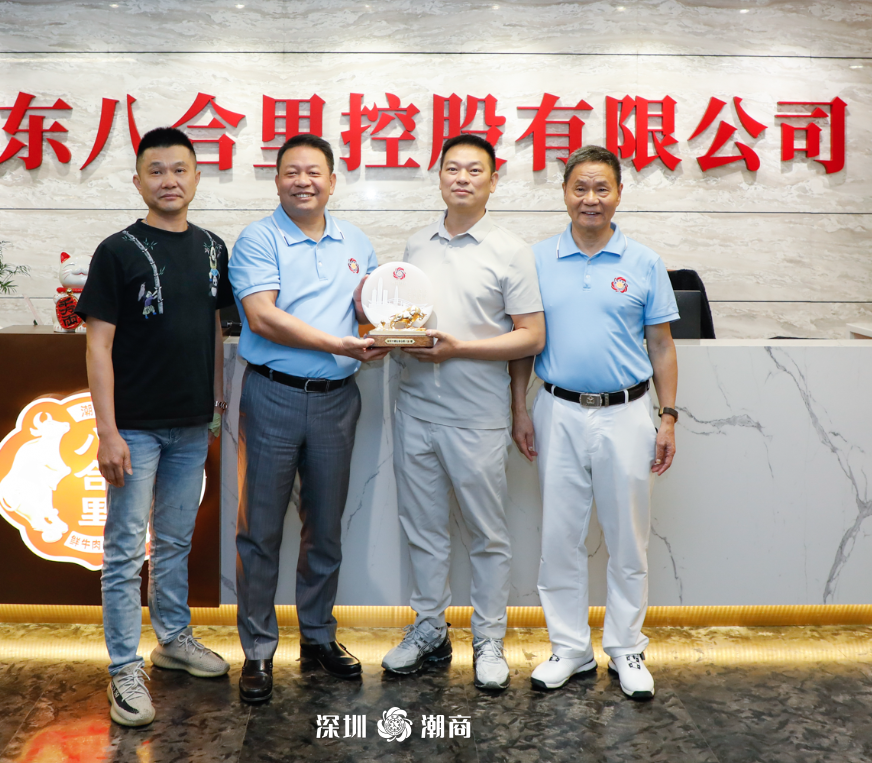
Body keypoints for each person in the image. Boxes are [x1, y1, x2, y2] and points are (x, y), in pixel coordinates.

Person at [510, 145, 679, 701]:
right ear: (564, 193)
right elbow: (523, 342)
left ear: (619, 194)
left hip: (627, 413)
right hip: (556, 409)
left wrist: (668, 417)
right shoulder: (536, 259)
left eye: (602, 188)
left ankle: (627, 647)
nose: (591, 199)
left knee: (628, 538)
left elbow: (662, 345)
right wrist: (520, 407)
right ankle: (570, 649)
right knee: (559, 536)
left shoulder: (644, 262)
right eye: (580, 188)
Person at [77, 127, 233, 727]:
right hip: (135, 429)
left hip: (191, 425)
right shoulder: (116, 250)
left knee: (174, 542)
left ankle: (173, 639)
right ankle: (123, 668)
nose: (169, 180)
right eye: (157, 170)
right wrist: (108, 431)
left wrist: (215, 401)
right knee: (123, 551)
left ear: (197, 177)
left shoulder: (213, 248)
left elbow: (215, 328)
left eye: (180, 169)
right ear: (138, 181)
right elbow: (98, 346)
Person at [381, 134, 545, 691]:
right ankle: (429, 629)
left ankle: (489, 638)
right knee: (423, 529)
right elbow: (406, 320)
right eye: (452, 168)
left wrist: (460, 350)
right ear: (440, 178)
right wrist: (385, 334)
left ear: (493, 181)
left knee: (486, 534)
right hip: (415, 409)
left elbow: (531, 336)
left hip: (477, 414)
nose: (462, 178)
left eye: (475, 170)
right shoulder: (416, 244)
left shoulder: (511, 250)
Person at [229, 133, 387, 704]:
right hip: (273, 395)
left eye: (314, 172)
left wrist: (381, 338)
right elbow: (262, 317)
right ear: (276, 181)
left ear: (333, 181)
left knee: (325, 526)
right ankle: (257, 650)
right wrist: (339, 344)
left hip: (337, 401)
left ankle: (318, 637)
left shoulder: (356, 242)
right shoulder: (258, 238)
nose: (303, 181)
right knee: (260, 530)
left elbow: (372, 310)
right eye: (292, 172)